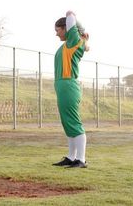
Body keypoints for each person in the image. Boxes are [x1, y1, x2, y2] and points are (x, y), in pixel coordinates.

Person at [52, 11, 90, 168]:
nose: (56, 34)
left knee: (73, 122)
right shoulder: (68, 44)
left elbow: (71, 15)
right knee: (67, 122)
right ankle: (71, 157)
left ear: (67, 28)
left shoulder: (73, 41)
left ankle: (81, 159)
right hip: (63, 85)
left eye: (58, 30)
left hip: (68, 85)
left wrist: (70, 15)